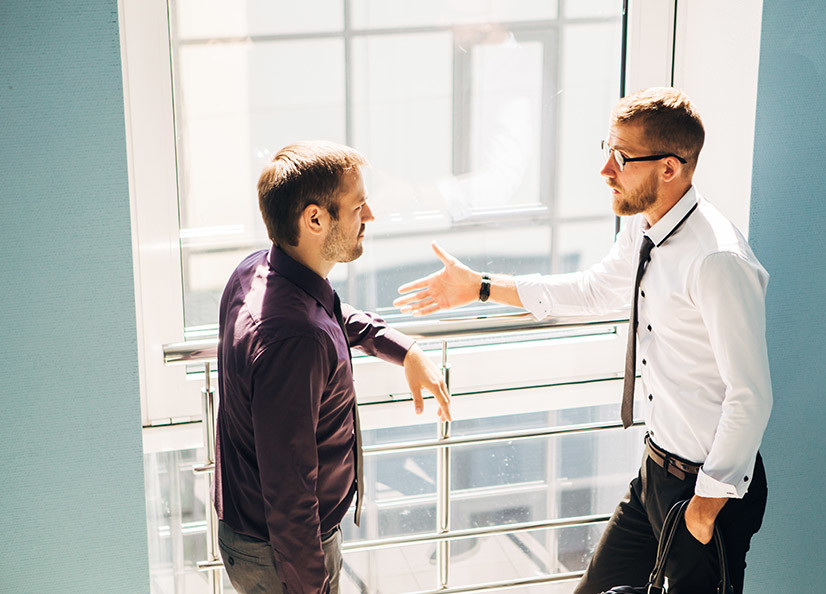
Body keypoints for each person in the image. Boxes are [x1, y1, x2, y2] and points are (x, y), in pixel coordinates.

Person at [394, 88, 771, 594]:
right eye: (607, 151)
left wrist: (705, 508)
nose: (605, 171)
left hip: (706, 492)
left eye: (621, 158)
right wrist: (481, 287)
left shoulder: (717, 260)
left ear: (670, 169)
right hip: (656, 473)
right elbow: (595, 290)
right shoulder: (645, 230)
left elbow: (751, 395)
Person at [215, 140, 452, 594]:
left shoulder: (260, 271)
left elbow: (332, 316)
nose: (371, 216)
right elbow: (289, 496)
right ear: (316, 219)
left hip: (262, 539)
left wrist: (404, 348)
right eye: (359, 205)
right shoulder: (295, 340)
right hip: (284, 555)